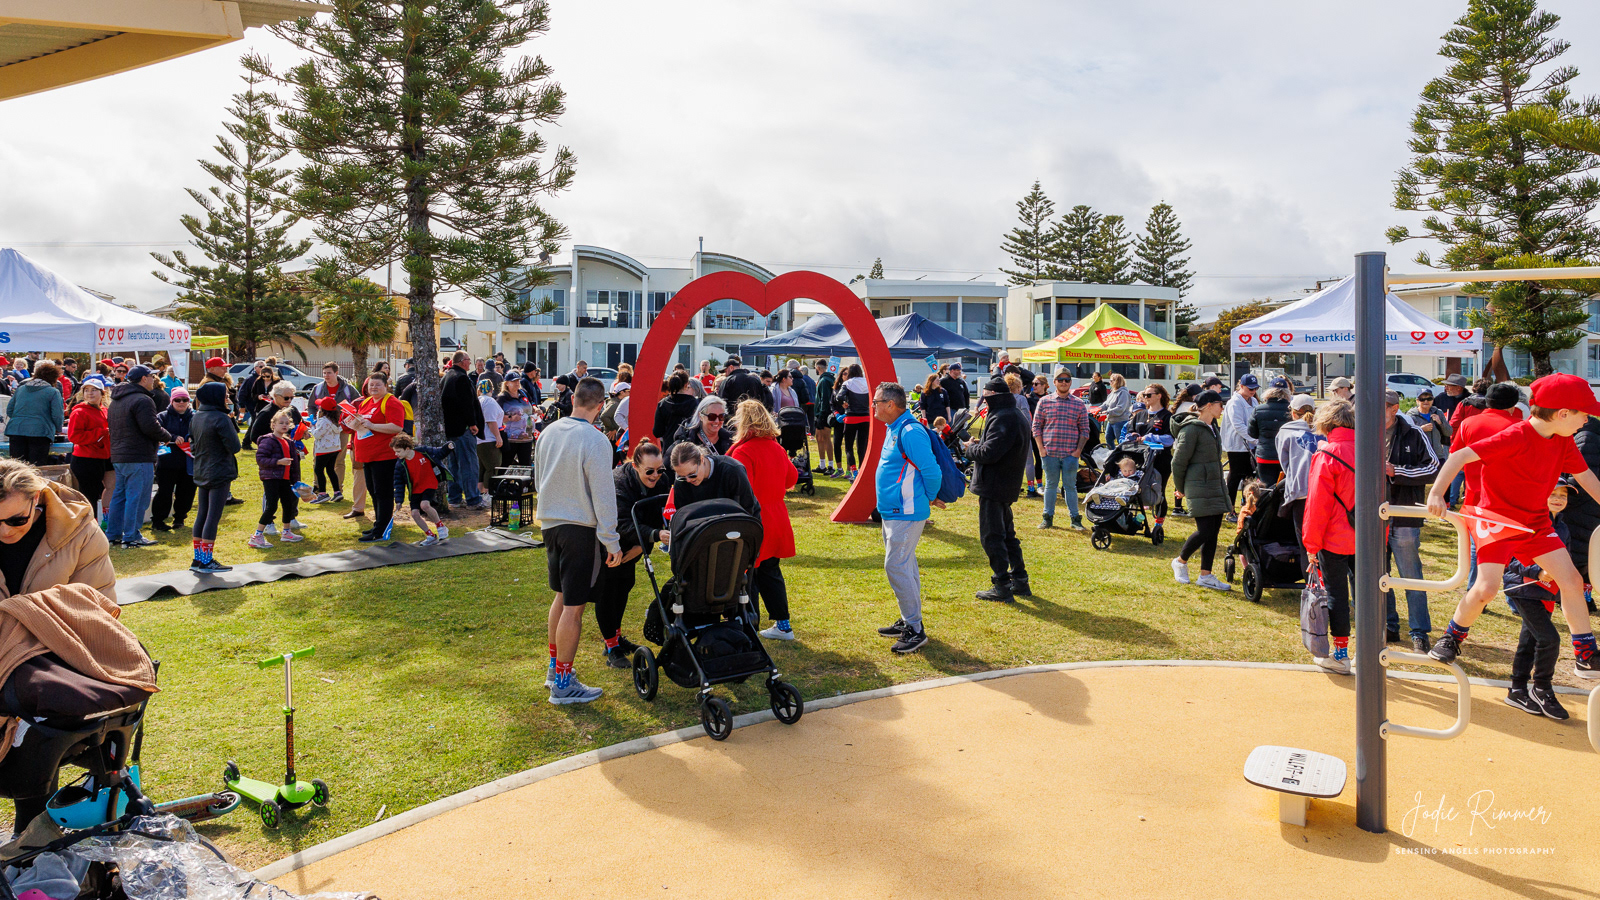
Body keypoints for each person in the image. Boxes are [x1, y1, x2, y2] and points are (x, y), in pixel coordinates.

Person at [1426, 373, 1600, 680]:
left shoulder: (1563, 441)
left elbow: (1586, 477)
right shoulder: (1516, 435)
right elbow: (1460, 455)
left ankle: (1585, 655)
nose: (1587, 420)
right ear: (1562, 413)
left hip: (1535, 522)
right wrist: (1437, 493)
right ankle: (1451, 637)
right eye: (1584, 414)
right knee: (1486, 588)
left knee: (1572, 580)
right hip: (1496, 519)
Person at [534, 376, 622, 705]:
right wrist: (611, 540)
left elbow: (538, 477)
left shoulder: (549, 432)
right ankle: (562, 682)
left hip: (551, 523)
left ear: (573, 399)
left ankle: (555, 670)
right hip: (579, 528)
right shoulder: (595, 439)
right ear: (600, 406)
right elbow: (604, 494)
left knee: (562, 597)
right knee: (574, 607)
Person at [873, 381, 943, 654]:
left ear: (890, 404)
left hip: (907, 511)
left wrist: (930, 496)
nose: (873, 406)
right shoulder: (894, 427)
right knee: (905, 564)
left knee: (896, 566)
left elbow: (931, 470)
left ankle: (915, 628)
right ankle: (908, 620)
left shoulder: (910, 431)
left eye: (876, 402)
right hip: (893, 511)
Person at [1500, 481, 1577, 718]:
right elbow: (1509, 558)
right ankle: (1542, 688)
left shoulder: (1563, 528)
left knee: (1530, 641)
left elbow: (1566, 561)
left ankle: (1517, 690)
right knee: (1550, 639)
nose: (1558, 499)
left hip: (1546, 594)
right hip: (1523, 589)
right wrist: (1537, 572)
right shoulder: (1528, 523)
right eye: (1552, 494)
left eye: (1563, 495)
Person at [726, 400, 801, 641]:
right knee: (771, 571)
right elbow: (792, 478)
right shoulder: (776, 447)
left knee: (748, 575)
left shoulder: (743, 451)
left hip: (753, 519)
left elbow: (741, 489)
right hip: (776, 517)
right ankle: (783, 625)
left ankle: (751, 627)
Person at [595, 442, 671, 668]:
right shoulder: (618, 482)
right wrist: (653, 535)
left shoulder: (662, 481)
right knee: (607, 592)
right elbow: (619, 522)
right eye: (650, 471)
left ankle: (617, 637)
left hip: (635, 544)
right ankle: (611, 646)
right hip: (608, 543)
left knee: (624, 586)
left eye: (660, 470)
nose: (656, 475)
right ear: (636, 466)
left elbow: (659, 513)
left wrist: (643, 545)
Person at [1381, 388, 1441, 652]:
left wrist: (1397, 471)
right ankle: (1388, 626)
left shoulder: (1414, 433)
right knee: (1379, 576)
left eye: (1382, 406)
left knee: (1411, 577)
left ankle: (1419, 632)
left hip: (1405, 514)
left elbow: (1433, 468)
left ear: (1394, 409)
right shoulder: (1362, 432)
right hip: (1374, 516)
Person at [1448, 382, 1523, 588]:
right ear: (1513, 405)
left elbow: (1455, 456)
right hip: (1511, 498)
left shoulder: (1469, 424)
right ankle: (1513, 594)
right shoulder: (1520, 426)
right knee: (1513, 548)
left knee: (1478, 547)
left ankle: (1475, 591)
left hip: (1475, 496)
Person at [1301, 400, 1357, 674]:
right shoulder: (1372, 450)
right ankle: (1370, 649)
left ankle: (1341, 653)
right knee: (1370, 594)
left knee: (1336, 594)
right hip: (1368, 536)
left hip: (1334, 535)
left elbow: (1317, 504)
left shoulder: (1327, 453)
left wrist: (1311, 544)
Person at [965, 375, 1031, 601]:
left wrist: (970, 449)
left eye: (985, 395)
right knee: (1007, 535)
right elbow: (997, 447)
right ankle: (1020, 579)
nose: (983, 399)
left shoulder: (1003, 416)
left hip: (994, 485)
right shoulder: (1014, 413)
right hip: (1005, 484)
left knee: (992, 536)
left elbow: (989, 453)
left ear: (993, 395)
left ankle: (1002, 584)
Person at [1170, 390, 1231, 592]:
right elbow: (1178, 462)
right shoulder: (1191, 429)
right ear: (1208, 406)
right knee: (1204, 530)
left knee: (1213, 532)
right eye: (1220, 404)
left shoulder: (1212, 427)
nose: (1222, 408)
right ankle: (1180, 561)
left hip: (1214, 484)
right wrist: (1180, 488)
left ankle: (1206, 575)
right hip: (1199, 485)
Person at [106, 366, 170, 549]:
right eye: (151, 376)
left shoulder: (117, 400)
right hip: (138, 455)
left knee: (120, 496)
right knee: (137, 497)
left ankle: (113, 534)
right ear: (143, 379)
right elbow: (150, 426)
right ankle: (131, 536)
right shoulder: (142, 399)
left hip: (119, 455)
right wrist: (167, 436)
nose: (153, 379)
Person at [345, 373, 407, 543]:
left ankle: (381, 530)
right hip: (367, 456)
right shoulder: (366, 402)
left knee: (383, 493)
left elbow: (397, 427)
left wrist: (373, 425)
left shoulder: (391, 402)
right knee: (373, 491)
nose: (373, 388)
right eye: (371, 385)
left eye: (378, 385)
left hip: (383, 456)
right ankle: (379, 524)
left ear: (386, 386)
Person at [188, 382, 240, 572]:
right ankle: (206, 561)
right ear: (215, 397)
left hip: (201, 469)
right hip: (219, 471)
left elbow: (192, 445)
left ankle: (198, 559)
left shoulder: (196, 416)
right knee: (212, 516)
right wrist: (230, 421)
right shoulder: (220, 418)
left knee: (202, 513)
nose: (228, 397)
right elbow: (235, 446)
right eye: (225, 394)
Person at [1031, 370, 1090, 531]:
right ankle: (1047, 518)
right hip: (1049, 453)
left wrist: (1078, 451)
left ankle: (1075, 519)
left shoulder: (1079, 403)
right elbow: (1036, 427)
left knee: (1070, 487)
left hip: (1071, 454)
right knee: (1050, 485)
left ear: (1070, 382)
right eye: (1060, 379)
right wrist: (1041, 449)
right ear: (1054, 382)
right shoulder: (1044, 402)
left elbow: (1085, 430)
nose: (1064, 382)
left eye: (1067, 380)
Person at [248, 409, 306, 548]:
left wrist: (296, 481)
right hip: (271, 478)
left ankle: (286, 532)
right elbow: (261, 459)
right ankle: (257, 535)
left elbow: (293, 465)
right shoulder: (268, 440)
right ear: (273, 425)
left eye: (287, 423)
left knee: (288, 504)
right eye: (281, 423)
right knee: (272, 506)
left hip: (285, 479)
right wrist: (278, 462)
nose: (284, 425)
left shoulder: (288, 442)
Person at [440, 351, 487, 510]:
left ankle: (454, 498)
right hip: (462, 429)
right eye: (468, 360)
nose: (470, 363)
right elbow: (466, 403)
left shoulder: (446, 377)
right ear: (462, 361)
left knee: (453, 466)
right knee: (469, 465)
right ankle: (473, 499)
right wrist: (472, 423)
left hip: (450, 429)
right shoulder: (461, 378)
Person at [1274, 394, 1322, 543]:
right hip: (1323, 488)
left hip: (1300, 488)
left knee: (1304, 539)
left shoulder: (1285, 431)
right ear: (1314, 411)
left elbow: (1285, 463)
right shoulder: (1324, 429)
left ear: (1293, 413)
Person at [390, 433, 451, 546]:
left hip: (429, 483)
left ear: (407, 449)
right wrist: (399, 501)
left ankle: (440, 526)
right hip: (416, 489)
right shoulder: (400, 464)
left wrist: (448, 447)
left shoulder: (423, 451)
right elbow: (398, 484)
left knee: (425, 505)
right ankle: (430, 535)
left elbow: (439, 452)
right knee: (414, 514)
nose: (396, 454)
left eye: (398, 451)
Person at [151, 387, 196, 533]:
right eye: (177, 400)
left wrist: (191, 437)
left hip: (189, 462)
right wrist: (172, 437)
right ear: (172, 401)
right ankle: (158, 520)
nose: (181, 402)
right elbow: (156, 432)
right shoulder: (162, 417)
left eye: (185, 399)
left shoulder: (195, 417)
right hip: (167, 462)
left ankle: (180, 518)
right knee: (164, 492)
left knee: (186, 492)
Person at [66, 379, 112, 520]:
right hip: (86, 458)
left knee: (112, 487)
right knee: (90, 494)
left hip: (105, 456)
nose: (90, 393)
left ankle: (105, 519)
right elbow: (74, 436)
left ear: (102, 393)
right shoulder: (79, 412)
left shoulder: (105, 410)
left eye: (94, 390)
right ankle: (90, 523)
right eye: (86, 390)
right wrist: (101, 433)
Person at [1127, 383, 1174, 514]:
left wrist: (1150, 437)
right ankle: (1132, 518)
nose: (1145, 397)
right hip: (1139, 458)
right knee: (1133, 488)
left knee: (1158, 490)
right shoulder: (1139, 415)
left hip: (1160, 460)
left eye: (1148, 395)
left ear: (1159, 396)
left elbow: (1170, 439)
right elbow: (1128, 433)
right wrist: (1132, 436)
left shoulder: (1167, 416)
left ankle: (1159, 522)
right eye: (1144, 395)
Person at [5, 361, 63, 466]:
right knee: (36, 468)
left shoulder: (21, 389)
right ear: (54, 378)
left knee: (17, 469)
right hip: (40, 433)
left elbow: (9, 410)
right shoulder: (53, 392)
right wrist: (58, 429)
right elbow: (57, 415)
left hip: (16, 431)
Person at [1221, 373, 1260, 519]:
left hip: (1250, 445)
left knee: (1249, 477)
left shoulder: (1254, 401)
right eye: (1250, 388)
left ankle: (1246, 506)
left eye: (1255, 388)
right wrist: (1255, 439)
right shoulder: (1234, 402)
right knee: (1235, 476)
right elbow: (1238, 425)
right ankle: (1230, 509)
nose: (1253, 391)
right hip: (1236, 445)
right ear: (1241, 386)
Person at [1247, 382, 1292, 485]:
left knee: (1266, 488)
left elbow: (1252, 433)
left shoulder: (1258, 410)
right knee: (1286, 487)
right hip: (1286, 455)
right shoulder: (1291, 410)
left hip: (1265, 455)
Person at [834, 364, 872, 480]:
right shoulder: (867, 382)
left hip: (851, 417)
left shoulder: (848, 383)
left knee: (849, 447)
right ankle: (861, 470)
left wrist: (843, 403)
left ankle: (854, 470)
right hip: (865, 417)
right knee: (862, 446)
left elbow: (838, 397)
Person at [309, 397, 345, 503]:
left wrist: (312, 427)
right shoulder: (335, 420)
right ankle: (337, 492)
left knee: (318, 470)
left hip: (324, 449)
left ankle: (322, 493)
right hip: (334, 448)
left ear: (322, 409)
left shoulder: (324, 421)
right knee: (330, 470)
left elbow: (317, 434)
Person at [653, 372, 699, 454]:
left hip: (669, 449)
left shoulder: (663, 404)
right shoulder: (694, 403)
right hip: (689, 448)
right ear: (686, 385)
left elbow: (657, 432)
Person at [496, 376, 536, 469]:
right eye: (514, 381)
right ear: (507, 383)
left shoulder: (523, 393)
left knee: (526, 466)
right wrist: (510, 418)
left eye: (518, 381)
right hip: (510, 439)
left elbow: (532, 403)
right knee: (505, 465)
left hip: (526, 438)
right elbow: (496, 417)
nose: (517, 383)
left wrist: (535, 409)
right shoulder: (502, 398)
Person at [246, 380, 302, 448]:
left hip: (292, 449)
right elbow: (254, 436)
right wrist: (272, 445)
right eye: (286, 398)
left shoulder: (293, 410)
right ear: (275, 396)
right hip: (274, 451)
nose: (289, 400)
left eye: (292, 398)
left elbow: (301, 426)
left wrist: (303, 433)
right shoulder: (266, 413)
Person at [476, 378, 504, 497]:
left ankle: (479, 494)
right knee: (492, 467)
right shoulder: (489, 402)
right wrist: (498, 436)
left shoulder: (477, 400)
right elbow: (491, 421)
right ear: (491, 390)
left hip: (479, 439)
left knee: (482, 469)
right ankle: (488, 494)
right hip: (489, 439)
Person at [1409, 389, 1451, 462]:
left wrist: (1440, 423)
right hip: (1420, 457)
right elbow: (1407, 436)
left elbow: (1449, 432)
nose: (1426, 401)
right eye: (1422, 399)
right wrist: (1421, 429)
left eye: (1429, 399)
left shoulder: (1438, 412)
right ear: (1417, 401)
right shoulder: (1411, 416)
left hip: (1438, 456)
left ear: (1433, 400)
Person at [813, 361, 838, 476]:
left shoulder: (824, 381)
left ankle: (830, 465)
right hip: (823, 412)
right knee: (819, 438)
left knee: (826, 438)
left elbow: (824, 399)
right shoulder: (829, 379)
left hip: (823, 413)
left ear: (818, 368)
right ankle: (823, 464)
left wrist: (822, 415)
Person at [1100, 373, 1134, 446]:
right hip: (1111, 421)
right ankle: (1112, 452)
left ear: (1117, 382)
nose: (1110, 382)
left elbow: (1120, 408)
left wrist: (1107, 412)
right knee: (1108, 438)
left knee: (1121, 441)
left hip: (1120, 421)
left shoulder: (1123, 393)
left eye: (1111, 381)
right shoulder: (1113, 392)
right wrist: (1098, 409)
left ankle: (1122, 453)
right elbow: (1106, 404)